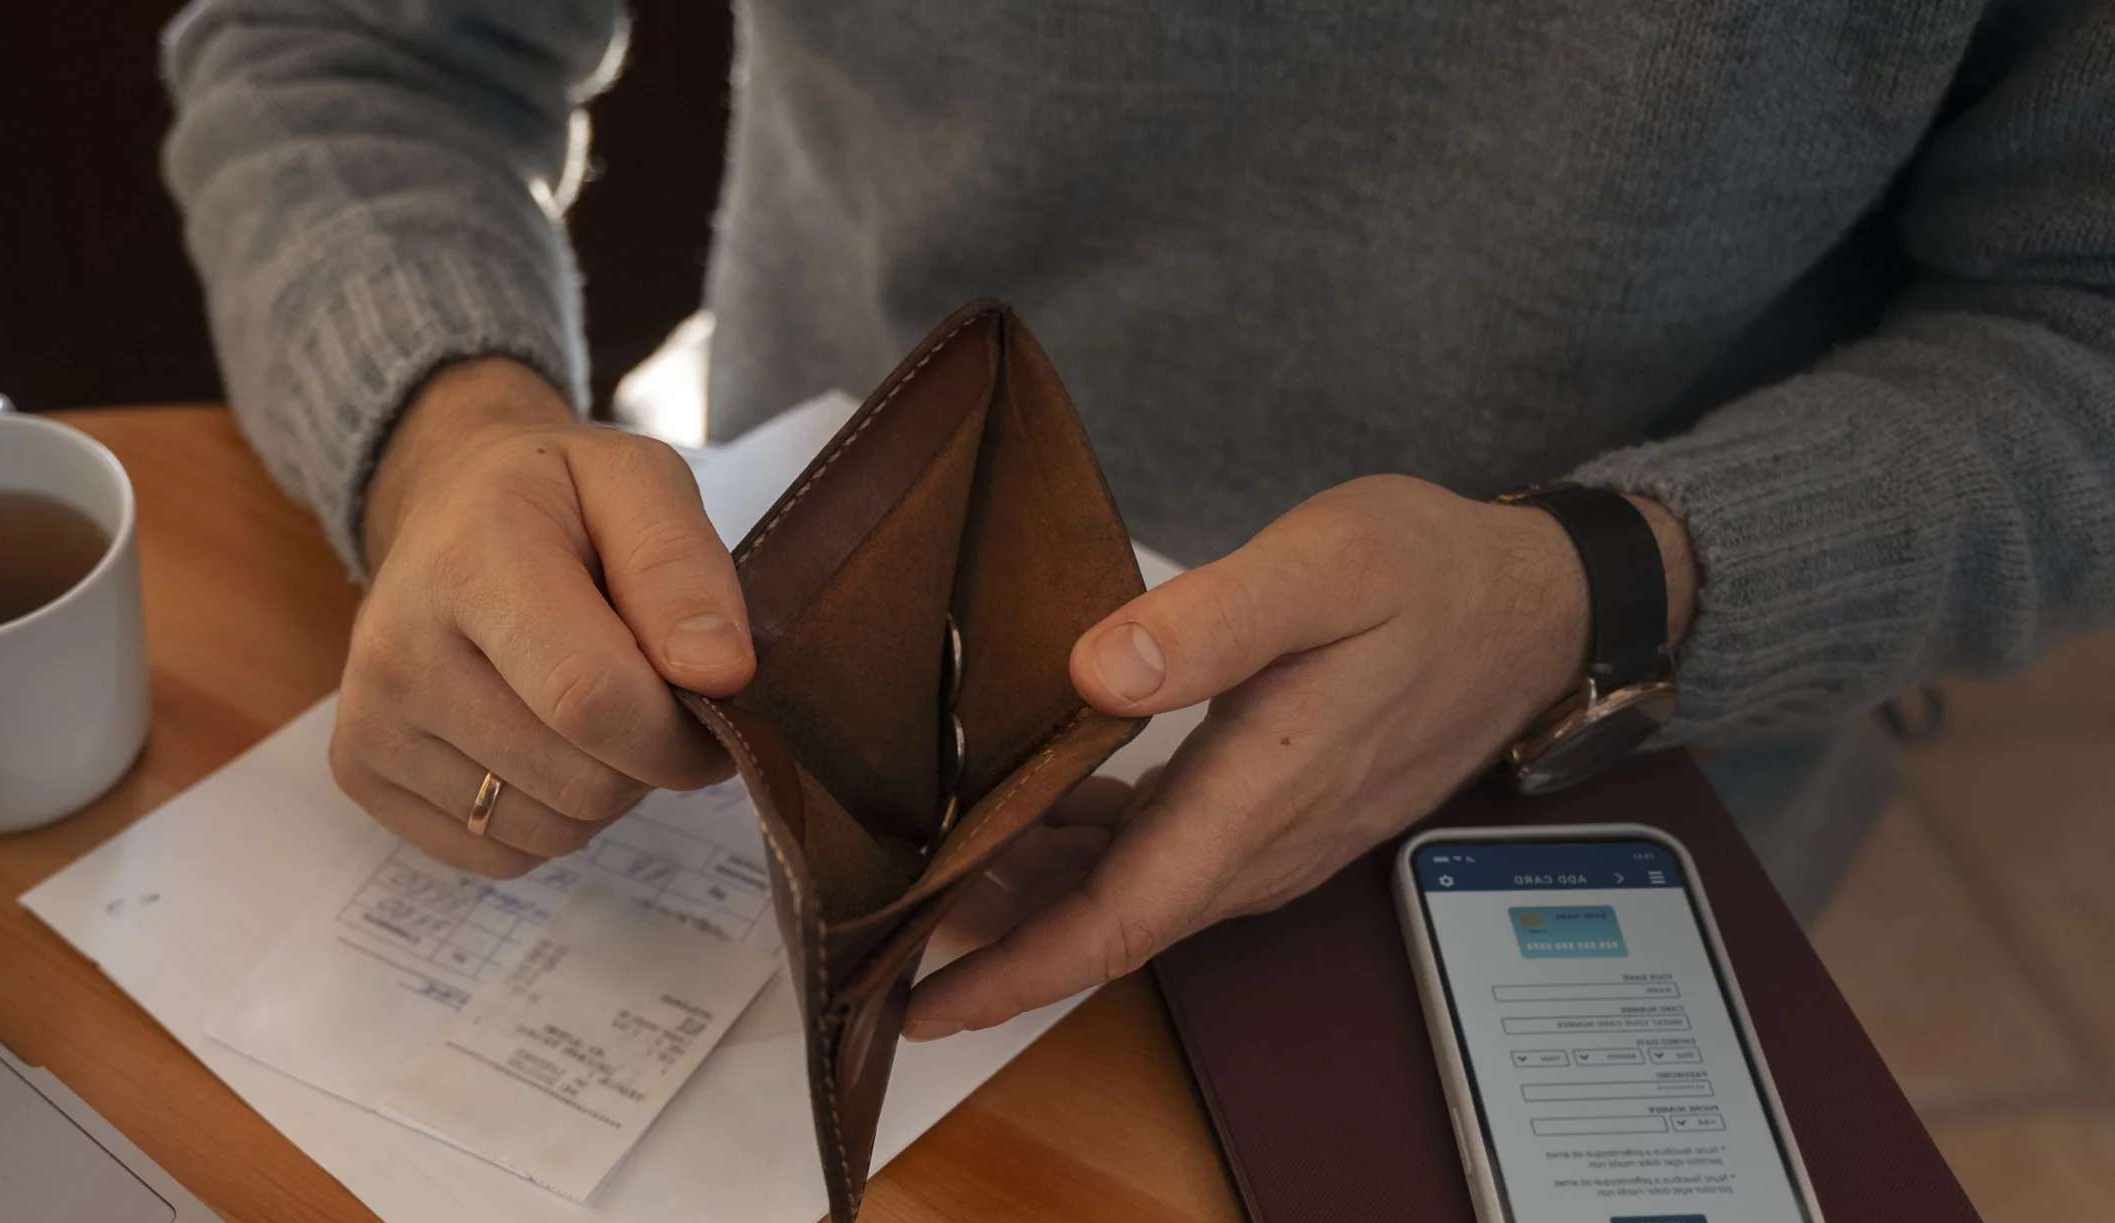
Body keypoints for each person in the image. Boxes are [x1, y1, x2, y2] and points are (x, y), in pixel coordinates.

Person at [160, 0, 2115, 1042]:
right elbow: (346, 46)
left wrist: (1594, 587)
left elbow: (2076, 323)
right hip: (799, 714)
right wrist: (443, 433)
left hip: (1581, 778)